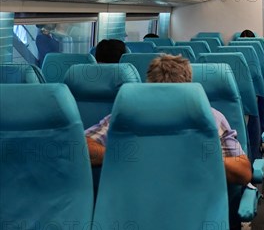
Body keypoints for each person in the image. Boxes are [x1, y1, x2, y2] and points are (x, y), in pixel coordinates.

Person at [85, 54, 252, 185]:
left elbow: (243, 172)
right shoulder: (128, 114)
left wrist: (198, 159)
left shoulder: (210, 117)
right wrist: (125, 155)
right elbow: (82, 146)